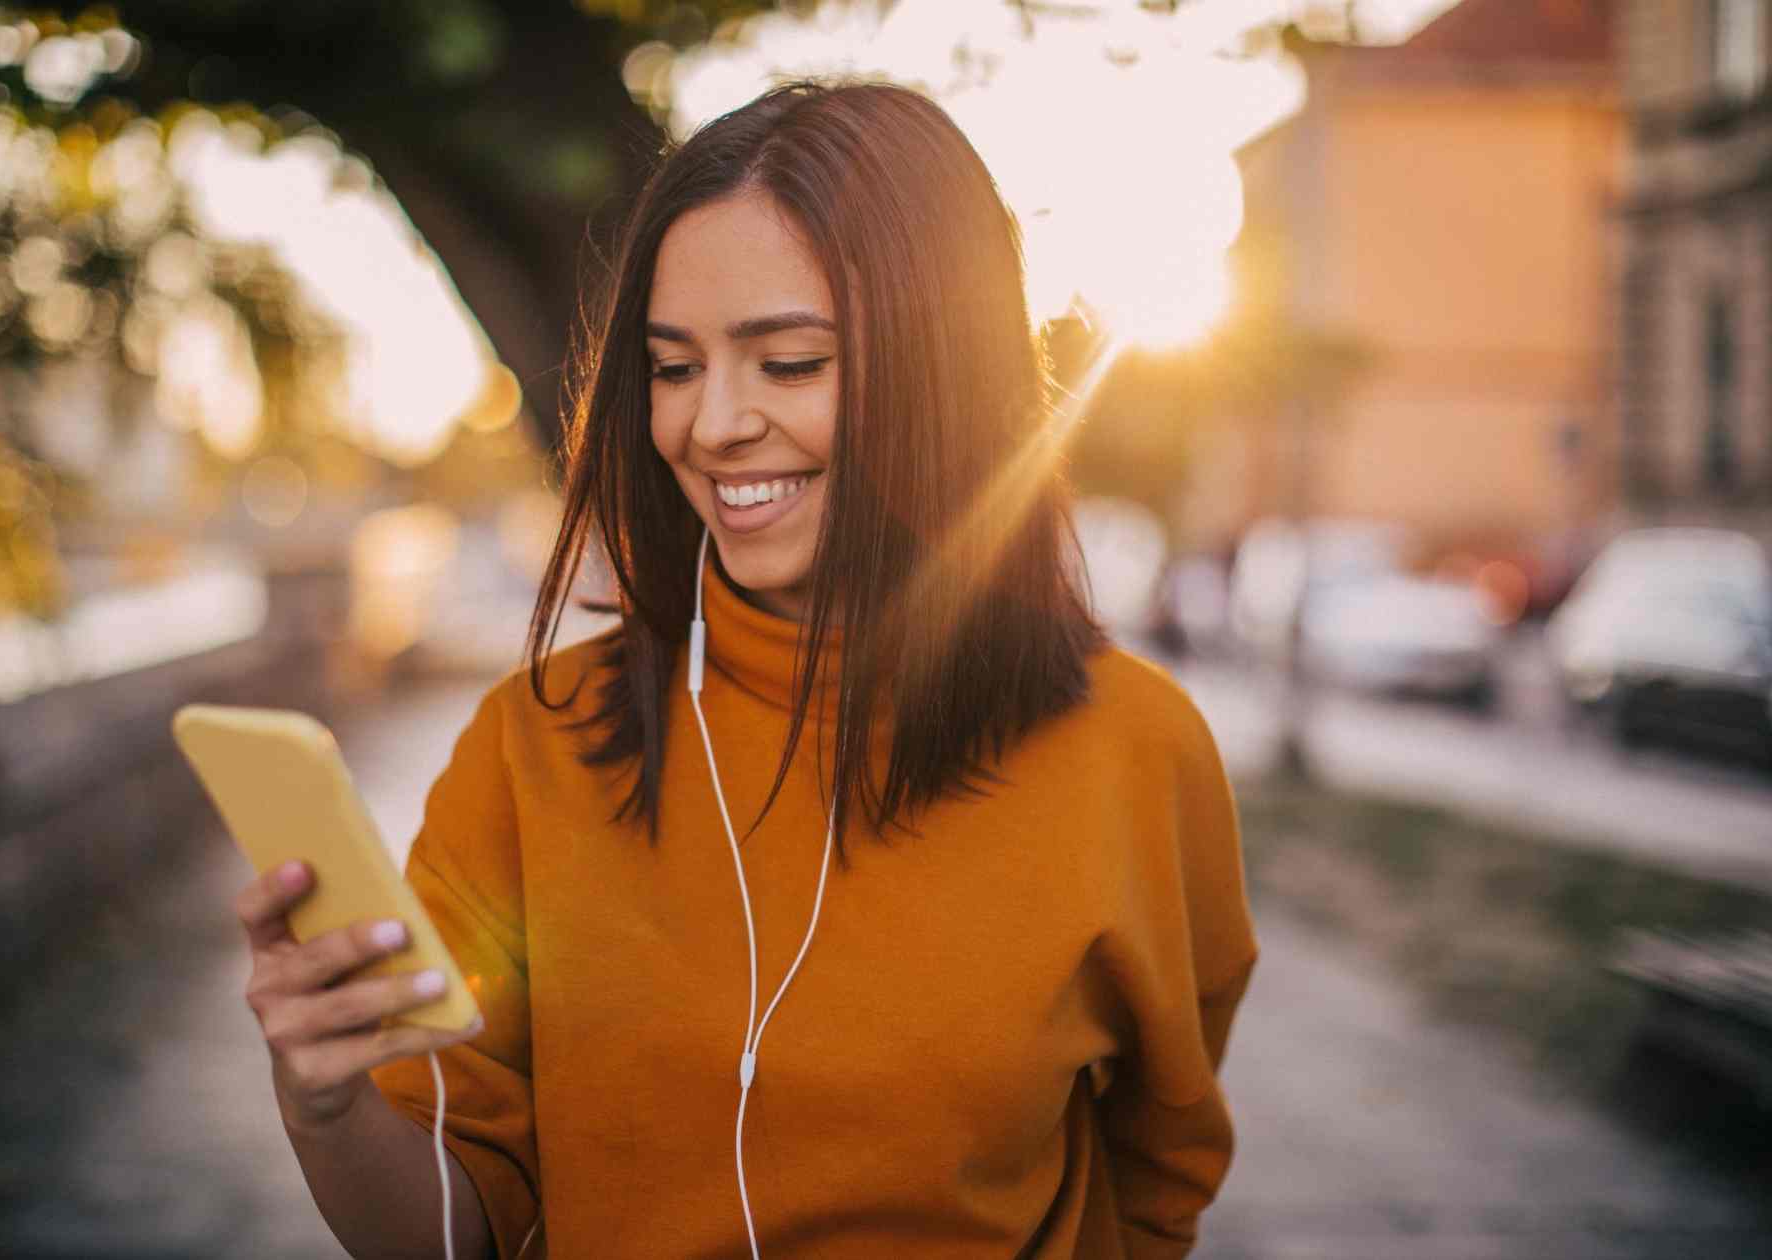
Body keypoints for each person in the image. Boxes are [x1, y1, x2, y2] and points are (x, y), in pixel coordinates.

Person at [233, 80, 1256, 1259]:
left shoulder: (1137, 749)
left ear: (943, 368)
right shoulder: (534, 746)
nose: (713, 425)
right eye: (674, 368)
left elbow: (1155, 1183)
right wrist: (325, 1108)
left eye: (789, 363)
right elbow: (449, 1237)